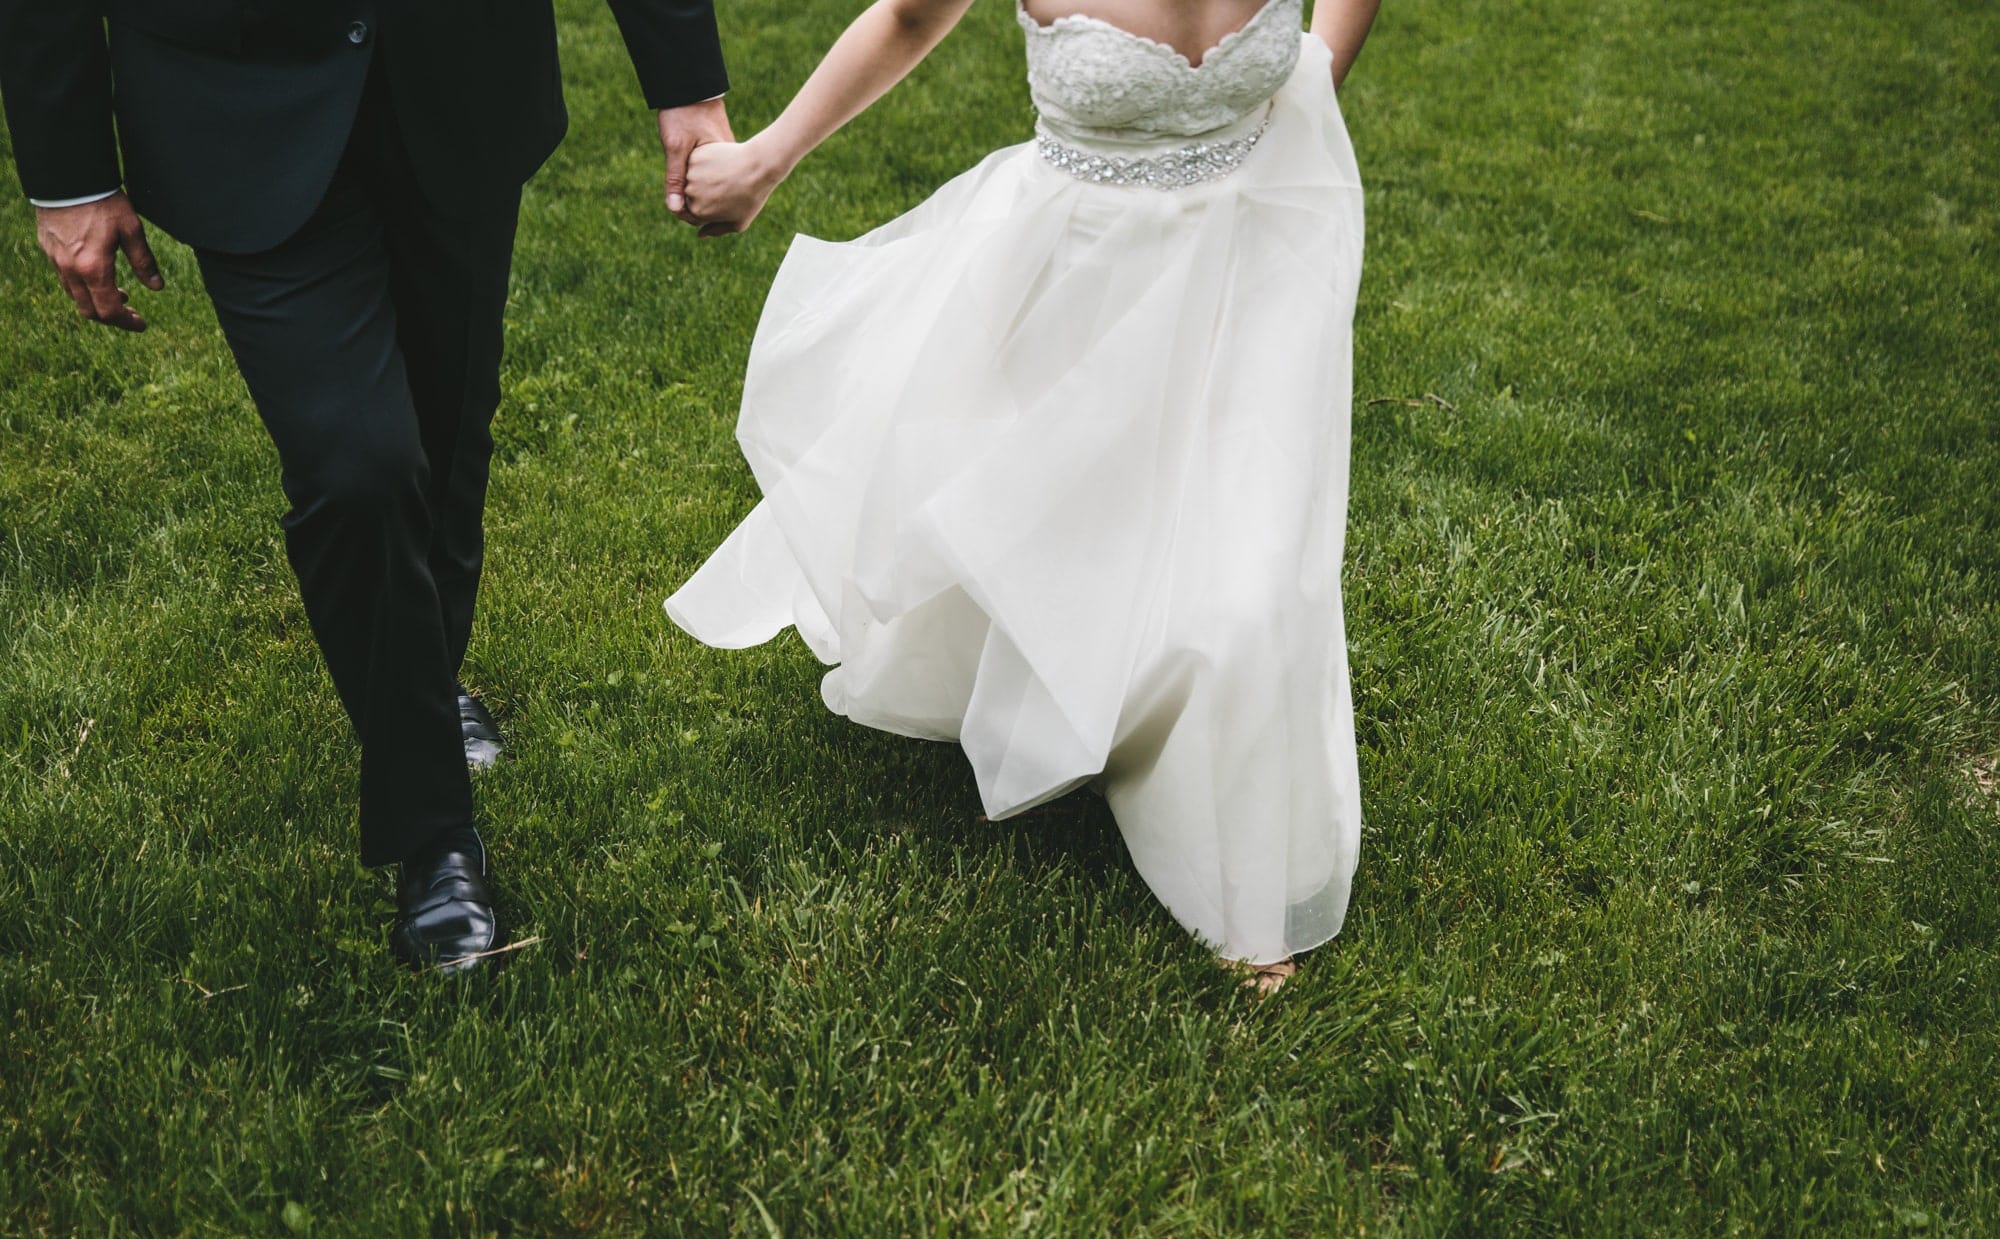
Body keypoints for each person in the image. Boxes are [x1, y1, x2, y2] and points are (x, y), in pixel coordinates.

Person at [0, 1, 734, 973]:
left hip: (462, 74)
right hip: (232, 101)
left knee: (446, 428)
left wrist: (684, 82)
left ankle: (422, 689)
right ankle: (436, 839)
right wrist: (68, 172)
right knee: (359, 468)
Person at [666, 0, 1378, 993]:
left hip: (1252, 256)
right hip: (1077, 267)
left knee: (1248, 587)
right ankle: (1074, 679)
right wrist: (764, 160)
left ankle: (1250, 901)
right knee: (1050, 539)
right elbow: (910, 16)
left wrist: (1315, 72)